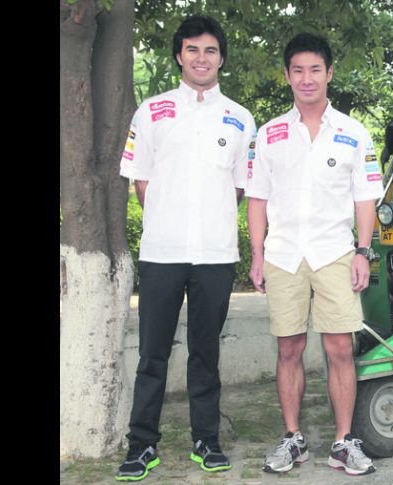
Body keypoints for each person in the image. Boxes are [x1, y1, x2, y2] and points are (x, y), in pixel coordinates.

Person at [116, 15, 256, 482]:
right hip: (161, 252)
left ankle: (206, 439)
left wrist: (209, 218)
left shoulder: (240, 118)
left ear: (221, 59)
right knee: (152, 353)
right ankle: (142, 445)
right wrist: (170, 218)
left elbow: (240, 186)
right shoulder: (151, 111)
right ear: (179, 55)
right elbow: (141, 181)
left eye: (211, 51)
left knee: (204, 353)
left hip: (216, 256)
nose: (202, 58)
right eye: (193, 49)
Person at [245, 32, 383, 476]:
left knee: (340, 347)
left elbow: (366, 199)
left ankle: (343, 442)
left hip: (335, 253)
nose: (307, 78)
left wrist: (363, 252)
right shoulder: (269, 134)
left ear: (329, 74)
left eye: (315, 70)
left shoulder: (353, 133)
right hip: (284, 254)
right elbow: (258, 200)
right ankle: (292, 438)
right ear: (287, 76)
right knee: (289, 348)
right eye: (298, 70)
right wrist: (257, 254)